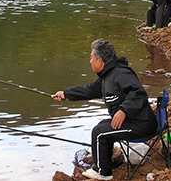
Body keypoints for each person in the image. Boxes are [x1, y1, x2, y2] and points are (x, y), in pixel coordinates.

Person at [52, 40, 157, 180]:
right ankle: (104, 165)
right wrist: (66, 94)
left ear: (100, 60)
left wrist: (123, 110)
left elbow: (139, 93)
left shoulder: (120, 73)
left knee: (99, 133)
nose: (90, 61)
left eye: (91, 58)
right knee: (102, 126)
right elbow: (89, 90)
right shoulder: (106, 76)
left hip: (141, 125)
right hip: (134, 121)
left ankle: (103, 173)